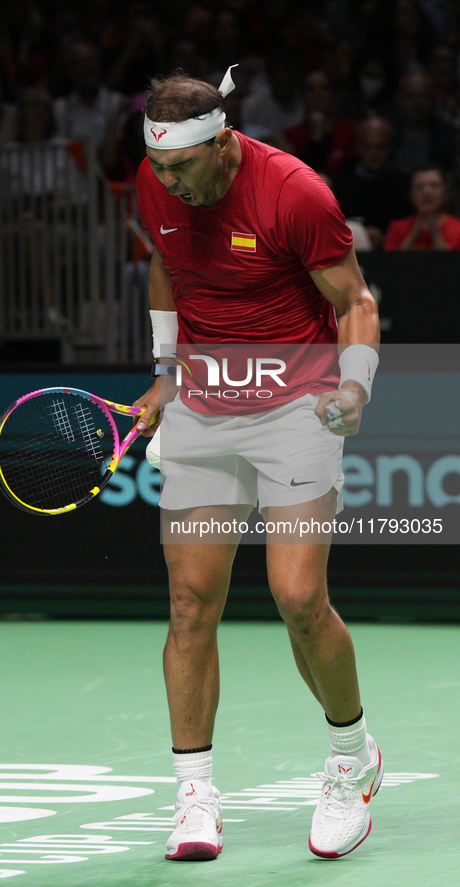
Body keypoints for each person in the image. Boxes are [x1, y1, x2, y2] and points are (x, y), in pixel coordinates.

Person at [133, 67, 382, 863]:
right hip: (205, 408)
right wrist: (165, 373)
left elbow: (354, 301)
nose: (164, 182)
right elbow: (165, 267)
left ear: (224, 144)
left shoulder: (293, 193)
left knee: (298, 595)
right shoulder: (156, 181)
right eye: (158, 167)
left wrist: (354, 385)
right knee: (188, 604)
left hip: (294, 405)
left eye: (179, 167)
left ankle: (350, 757)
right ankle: (195, 794)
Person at [334, 116, 413, 249]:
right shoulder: (342, 184)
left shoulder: (405, 184)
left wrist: (387, 237)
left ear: (391, 147)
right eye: (367, 146)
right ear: (357, 146)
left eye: (380, 147)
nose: (373, 153)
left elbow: (409, 223)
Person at [383, 165, 460, 250]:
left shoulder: (458, 228)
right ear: (410, 194)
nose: (427, 192)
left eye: (434, 185)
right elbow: (394, 262)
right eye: (419, 187)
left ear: (445, 191)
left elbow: (450, 262)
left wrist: (434, 231)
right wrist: (415, 230)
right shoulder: (397, 227)